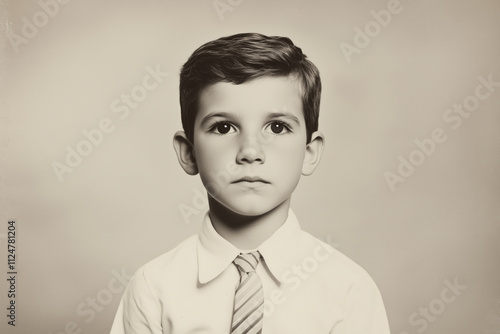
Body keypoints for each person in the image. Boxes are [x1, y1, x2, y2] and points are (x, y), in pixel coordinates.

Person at [110, 32, 391, 334]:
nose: (250, 152)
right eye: (224, 127)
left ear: (309, 153)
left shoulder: (348, 290)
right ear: (189, 152)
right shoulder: (153, 290)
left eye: (277, 127)